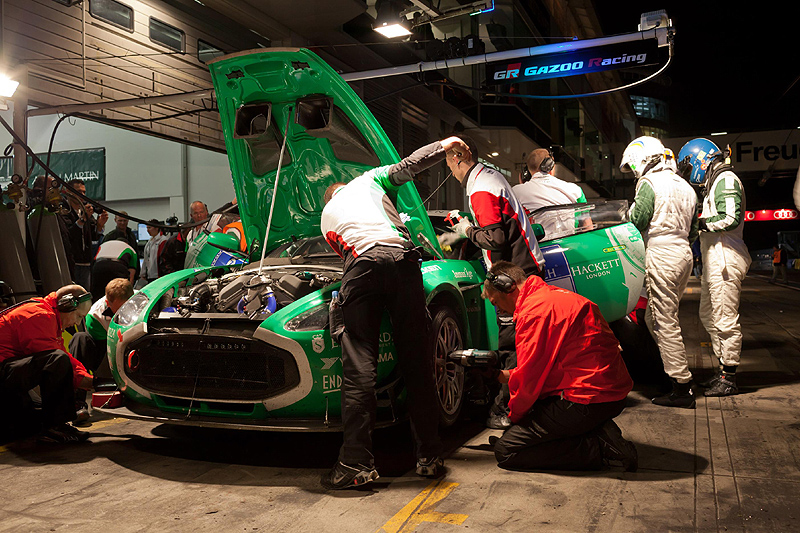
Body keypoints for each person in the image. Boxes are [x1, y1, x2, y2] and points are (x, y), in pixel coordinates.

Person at [318, 136, 470, 490]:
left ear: (329, 198)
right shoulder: (370, 180)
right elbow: (408, 166)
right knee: (418, 365)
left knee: (360, 369)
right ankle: (429, 457)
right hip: (404, 261)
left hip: (363, 265)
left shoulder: (327, 217)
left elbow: (347, 256)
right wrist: (442, 145)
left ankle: (356, 463)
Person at [481, 261, 637, 472]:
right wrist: (499, 375)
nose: (498, 309)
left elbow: (529, 382)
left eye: (495, 302)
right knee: (533, 419)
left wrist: (515, 420)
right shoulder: (555, 297)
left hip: (587, 400)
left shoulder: (533, 313)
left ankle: (600, 448)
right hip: (609, 393)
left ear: (508, 287)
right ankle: (595, 430)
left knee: (507, 450)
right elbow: (547, 367)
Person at [442, 135, 545, 430]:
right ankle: (519, 405)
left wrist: (465, 230)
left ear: (458, 158)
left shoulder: (481, 188)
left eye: (449, 163)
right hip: (524, 269)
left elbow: (496, 238)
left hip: (515, 275)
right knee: (520, 343)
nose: (450, 171)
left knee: (510, 345)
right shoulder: (490, 178)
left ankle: (507, 411)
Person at [621, 136, 699, 409]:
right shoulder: (686, 187)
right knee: (660, 319)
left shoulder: (649, 183)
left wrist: (623, 216)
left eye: (633, 168)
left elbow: (637, 219)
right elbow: (693, 231)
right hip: (683, 255)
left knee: (665, 322)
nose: (634, 174)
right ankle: (672, 375)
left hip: (661, 251)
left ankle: (681, 387)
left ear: (643, 160)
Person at [678, 138, 751, 397]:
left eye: (690, 166)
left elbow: (730, 218)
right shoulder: (715, 183)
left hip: (725, 260)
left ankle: (729, 377)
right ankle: (723, 369)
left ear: (701, 160)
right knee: (709, 315)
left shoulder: (726, 180)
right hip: (715, 261)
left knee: (724, 320)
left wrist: (698, 223)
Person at [0, 284, 94, 443]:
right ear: (66, 305)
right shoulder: (39, 316)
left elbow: (61, 354)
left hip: (6, 368)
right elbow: (57, 359)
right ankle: (56, 426)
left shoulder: (46, 314)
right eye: (78, 316)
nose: (77, 323)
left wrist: (88, 379)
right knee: (56, 360)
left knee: (28, 427)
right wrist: (92, 382)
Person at [69, 279, 134, 423]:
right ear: (108, 302)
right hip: (108, 354)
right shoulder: (95, 315)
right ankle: (77, 403)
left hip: (135, 351)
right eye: (117, 309)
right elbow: (111, 351)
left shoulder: (143, 301)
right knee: (80, 339)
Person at [512, 148, 590, 238]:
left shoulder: (516, 192)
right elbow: (587, 226)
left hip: (540, 248)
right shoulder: (576, 190)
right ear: (550, 165)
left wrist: (521, 185)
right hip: (571, 245)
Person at [61, 179, 108, 290]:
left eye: (84, 192)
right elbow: (67, 234)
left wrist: (100, 226)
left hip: (86, 262)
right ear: (68, 191)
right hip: (70, 263)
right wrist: (82, 219)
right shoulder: (63, 210)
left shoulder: (86, 211)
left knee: (85, 296)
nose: (82, 195)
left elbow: (93, 236)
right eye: (78, 191)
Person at [91, 237, 137, 302]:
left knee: (98, 295)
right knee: (121, 293)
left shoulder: (103, 245)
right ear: (127, 243)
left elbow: (94, 259)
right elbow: (132, 273)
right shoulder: (131, 249)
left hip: (98, 266)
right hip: (117, 266)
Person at [140, 219, 168, 285]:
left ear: (157, 228)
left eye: (149, 228)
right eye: (147, 228)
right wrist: (143, 273)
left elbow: (163, 260)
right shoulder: (149, 242)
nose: (147, 230)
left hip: (158, 275)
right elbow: (146, 259)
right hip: (150, 275)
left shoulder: (163, 240)